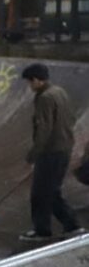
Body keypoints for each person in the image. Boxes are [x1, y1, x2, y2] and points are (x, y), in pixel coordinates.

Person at [20, 63, 84, 242]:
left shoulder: (44, 98)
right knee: (52, 191)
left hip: (50, 151)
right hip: (64, 148)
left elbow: (44, 130)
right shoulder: (59, 92)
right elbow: (71, 118)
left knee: (40, 193)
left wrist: (33, 154)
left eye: (30, 82)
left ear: (36, 80)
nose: (29, 86)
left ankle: (42, 230)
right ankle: (72, 225)